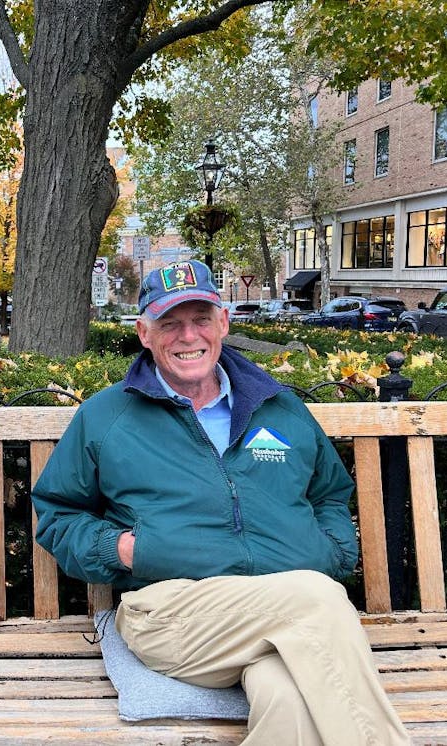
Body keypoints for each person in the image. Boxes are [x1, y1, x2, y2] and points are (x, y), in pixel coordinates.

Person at [31, 260, 409, 746]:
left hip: (278, 614)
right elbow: (59, 513)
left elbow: (328, 490)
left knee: (287, 697)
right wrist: (122, 550)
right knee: (317, 597)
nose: (188, 336)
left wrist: (331, 547)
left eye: (201, 319)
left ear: (224, 324)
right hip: (172, 615)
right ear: (144, 333)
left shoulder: (278, 406)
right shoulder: (107, 415)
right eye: (170, 323)